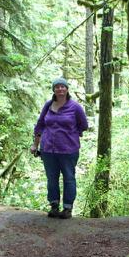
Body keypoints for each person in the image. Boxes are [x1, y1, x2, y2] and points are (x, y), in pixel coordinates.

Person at [31, 77, 88, 219]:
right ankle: (54, 206)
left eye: (63, 86)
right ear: (54, 90)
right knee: (51, 178)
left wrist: (72, 134)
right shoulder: (48, 105)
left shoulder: (75, 107)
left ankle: (67, 208)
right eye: (57, 87)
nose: (60, 89)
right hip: (48, 149)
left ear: (67, 89)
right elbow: (40, 125)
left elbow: (84, 125)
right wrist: (35, 144)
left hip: (68, 150)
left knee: (69, 178)